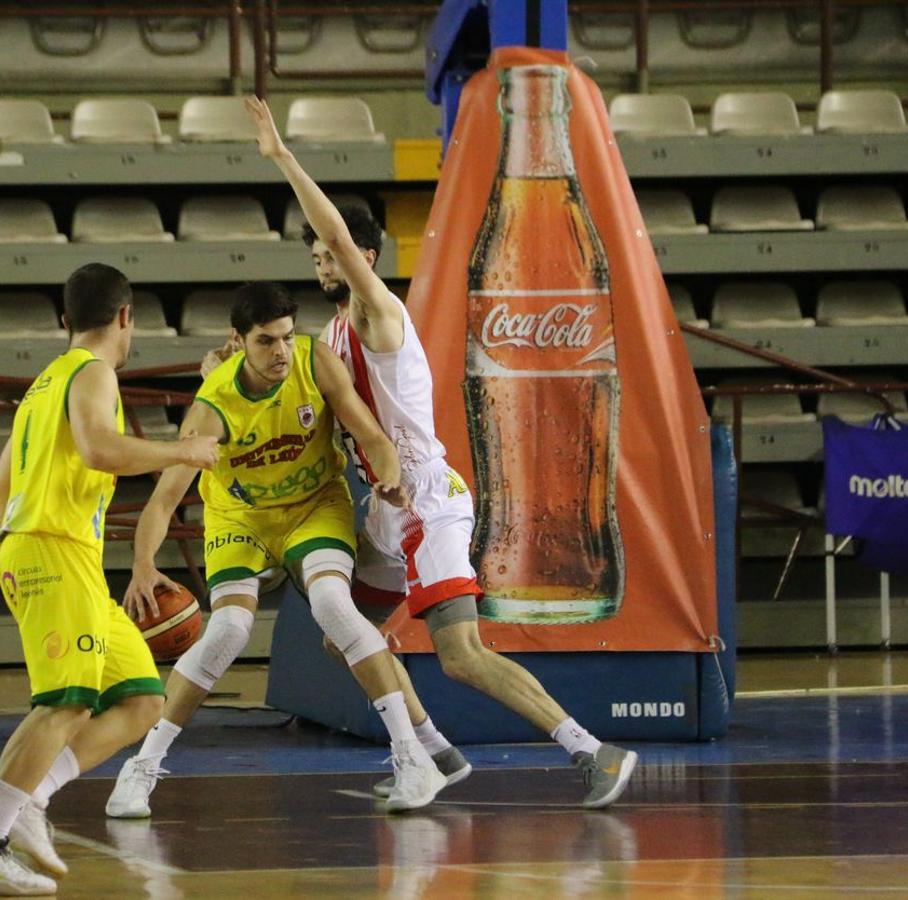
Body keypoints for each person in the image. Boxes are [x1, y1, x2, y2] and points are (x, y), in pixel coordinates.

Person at [240, 95, 637, 808]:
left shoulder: (378, 312)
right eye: (315, 256)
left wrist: (282, 157)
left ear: (362, 257)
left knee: (460, 655)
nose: (321, 261)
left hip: (425, 496)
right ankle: (435, 754)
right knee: (341, 634)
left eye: (329, 252)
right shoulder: (328, 339)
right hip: (385, 505)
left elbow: (336, 233)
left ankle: (592, 751)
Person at [106, 282, 448, 819]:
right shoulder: (214, 406)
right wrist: (143, 564)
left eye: (287, 337)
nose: (281, 351)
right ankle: (142, 768)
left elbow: (373, 437)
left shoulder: (316, 362)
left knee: (334, 606)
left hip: (314, 507)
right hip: (240, 518)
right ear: (238, 340)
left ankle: (412, 758)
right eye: (266, 341)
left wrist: (389, 479)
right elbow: (163, 500)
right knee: (227, 630)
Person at [0, 263, 220, 895]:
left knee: (143, 699)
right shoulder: (93, 373)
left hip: (59, 557)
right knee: (65, 702)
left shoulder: (43, 385)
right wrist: (183, 450)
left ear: (66, 320)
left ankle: (29, 800)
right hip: (54, 554)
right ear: (125, 317)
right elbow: (99, 449)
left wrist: (33, 539)